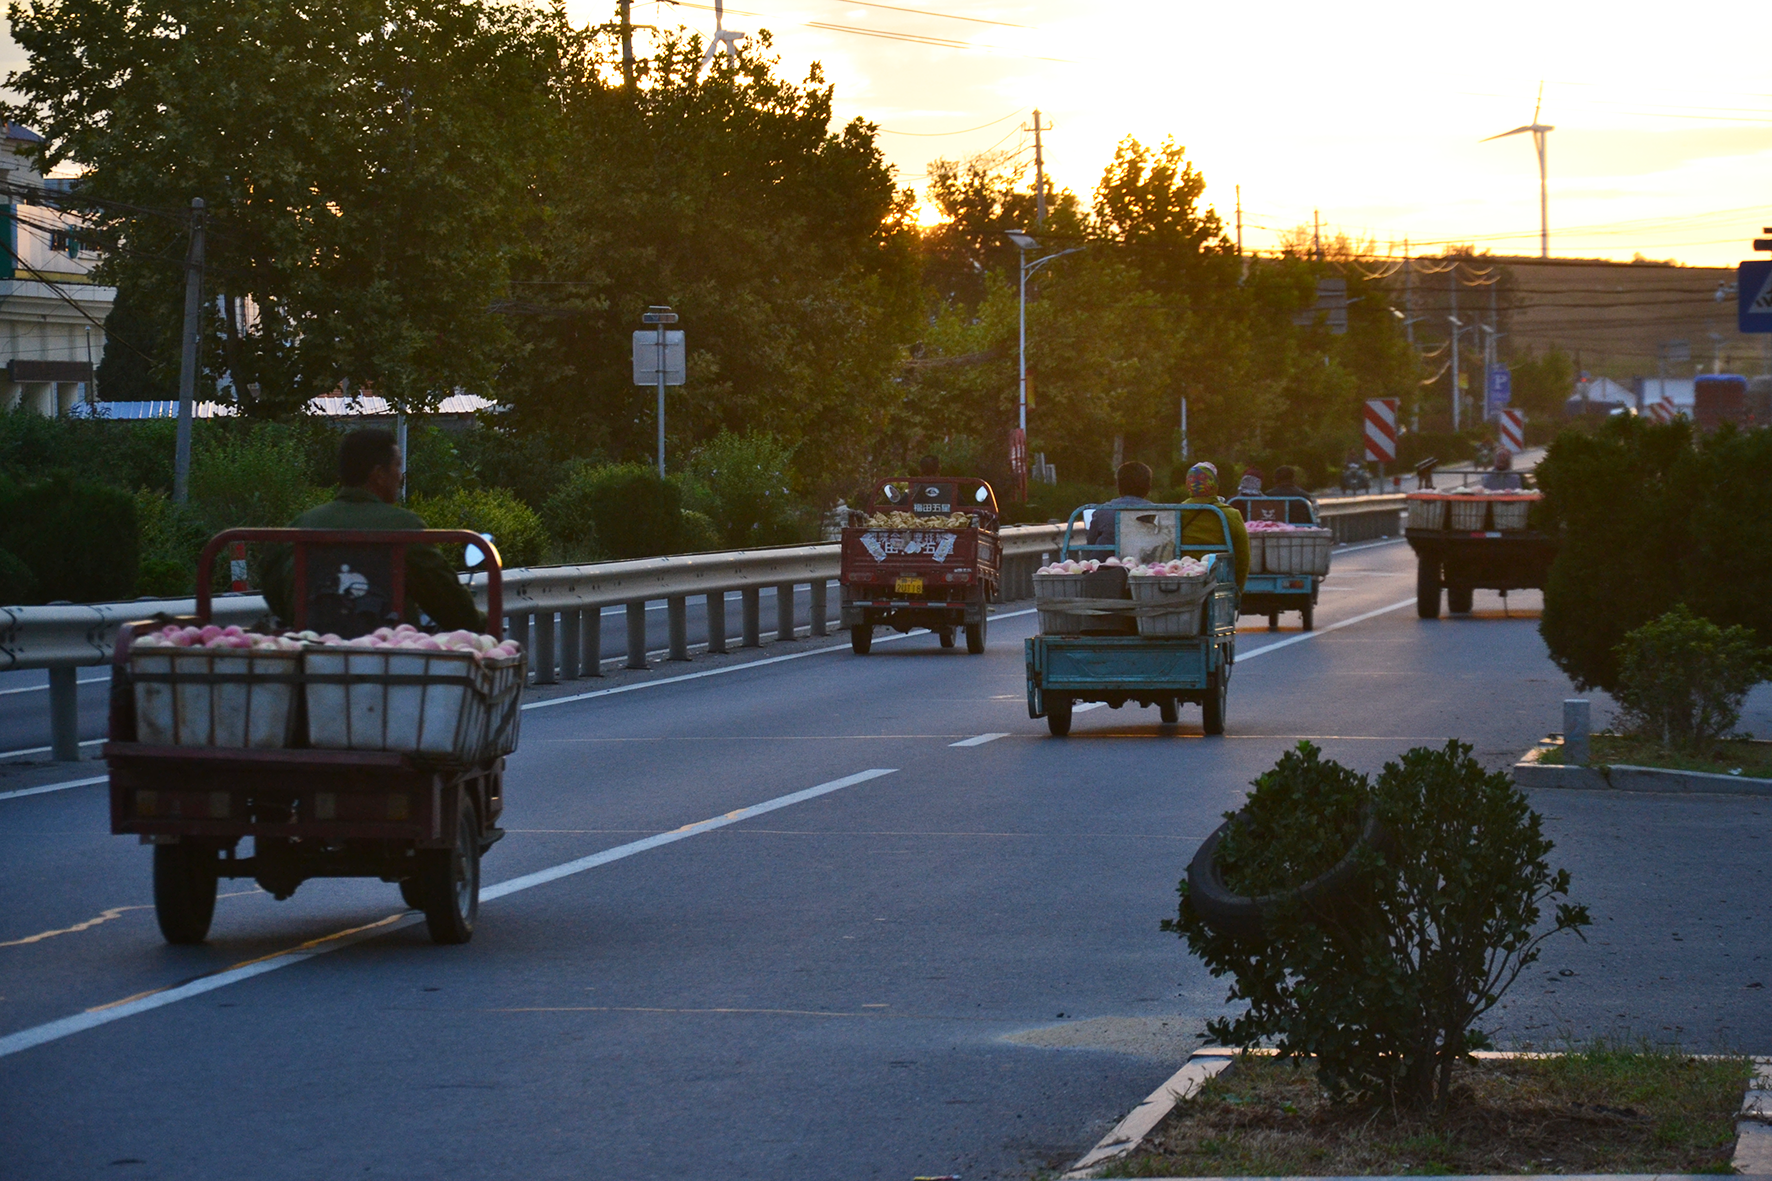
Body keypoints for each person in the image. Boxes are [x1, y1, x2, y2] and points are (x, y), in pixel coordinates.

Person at [262, 428, 485, 631]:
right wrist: (483, 624)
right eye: (398, 466)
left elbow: (273, 587)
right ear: (379, 474)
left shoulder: (301, 524)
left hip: (311, 659)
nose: (401, 476)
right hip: (390, 663)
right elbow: (450, 605)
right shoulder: (404, 527)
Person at [1180, 461, 1250, 590]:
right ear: (1215, 485)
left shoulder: (1176, 512)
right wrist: (1238, 589)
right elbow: (1242, 557)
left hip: (1182, 577)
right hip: (1220, 579)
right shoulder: (1230, 514)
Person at [1084, 461, 1156, 553]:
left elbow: (1090, 544)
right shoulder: (1160, 513)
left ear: (1118, 486)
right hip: (1148, 565)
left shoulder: (1103, 511)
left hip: (1106, 564)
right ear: (1148, 487)